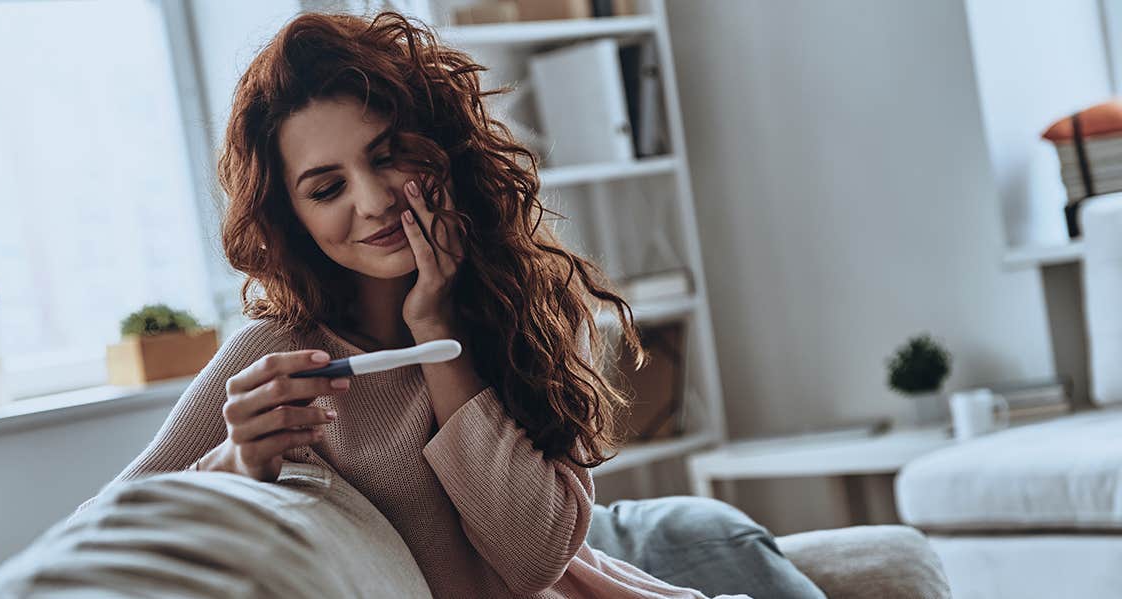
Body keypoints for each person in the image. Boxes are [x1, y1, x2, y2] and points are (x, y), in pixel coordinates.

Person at [77, 10, 809, 599]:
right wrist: (232, 464)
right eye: (326, 188)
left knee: (721, 539)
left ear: (440, 145)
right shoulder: (279, 349)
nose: (374, 202)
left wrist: (438, 331)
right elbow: (94, 540)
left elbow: (533, 560)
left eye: (389, 152)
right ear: (290, 217)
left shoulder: (527, 305)